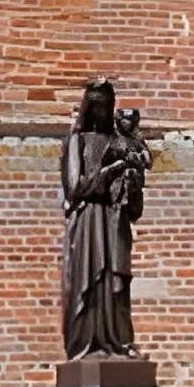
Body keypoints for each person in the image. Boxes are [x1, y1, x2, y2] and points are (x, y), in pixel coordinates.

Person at [60, 78, 145, 361]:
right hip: (88, 221)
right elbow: (76, 187)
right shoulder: (77, 141)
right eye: (96, 106)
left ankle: (119, 342)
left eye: (106, 106)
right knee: (87, 282)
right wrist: (109, 171)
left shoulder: (119, 141)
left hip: (114, 219)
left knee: (118, 283)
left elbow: (134, 208)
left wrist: (133, 184)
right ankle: (86, 344)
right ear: (88, 108)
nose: (100, 112)